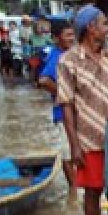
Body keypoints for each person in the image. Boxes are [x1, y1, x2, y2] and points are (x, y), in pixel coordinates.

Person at [57, 4, 108, 215]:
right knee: (93, 192)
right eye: (105, 24)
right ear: (90, 28)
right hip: (89, 140)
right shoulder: (68, 61)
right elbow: (66, 105)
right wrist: (74, 145)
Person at [38, 19, 76, 187]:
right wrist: (65, 96)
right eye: (68, 35)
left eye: (73, 34)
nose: (72, 38)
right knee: (68, 153)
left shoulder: (68, 55)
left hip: (73, 114)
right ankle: (74, 190)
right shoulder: (57, 57)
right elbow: (44, 80)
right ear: (56, 38)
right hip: (63, 114)